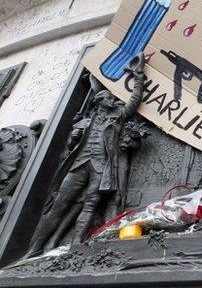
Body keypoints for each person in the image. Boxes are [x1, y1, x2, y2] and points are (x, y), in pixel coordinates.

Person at [23, 54, 146, 259]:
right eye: (109, 98)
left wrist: (138, 76)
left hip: (101, 168)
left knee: (90, 205)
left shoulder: (118, 118)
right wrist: (73, 139)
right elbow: (70, 148)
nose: (113, 100)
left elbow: (134, 99)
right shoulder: (84, 123)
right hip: (78, 166)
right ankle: (34, 248)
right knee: (59, 207)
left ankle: (74, 246)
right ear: (99, 102)